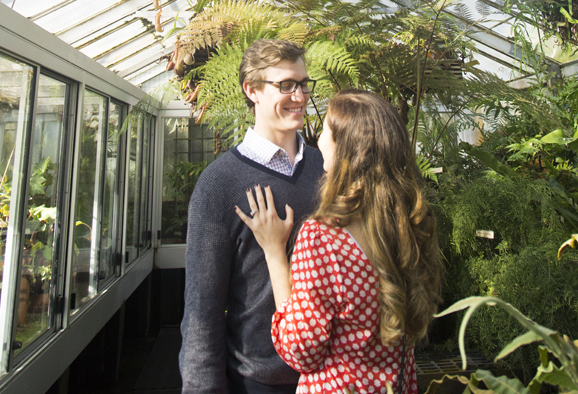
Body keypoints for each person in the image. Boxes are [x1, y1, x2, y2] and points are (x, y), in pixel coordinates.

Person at [236, 89, 442, 394]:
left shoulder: (323, 239)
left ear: (346, 150)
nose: (319, 140)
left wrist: (274, 253)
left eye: (326, 132)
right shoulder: (410, 225)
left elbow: (301, 350)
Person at [179, 39, 325, 394]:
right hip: (258, 381)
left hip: (333, 374)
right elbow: (202, 310)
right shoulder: (219, 184)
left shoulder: (327, 169)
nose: (300, 96)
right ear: (252, 90)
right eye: (286, 85)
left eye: (303, 84)